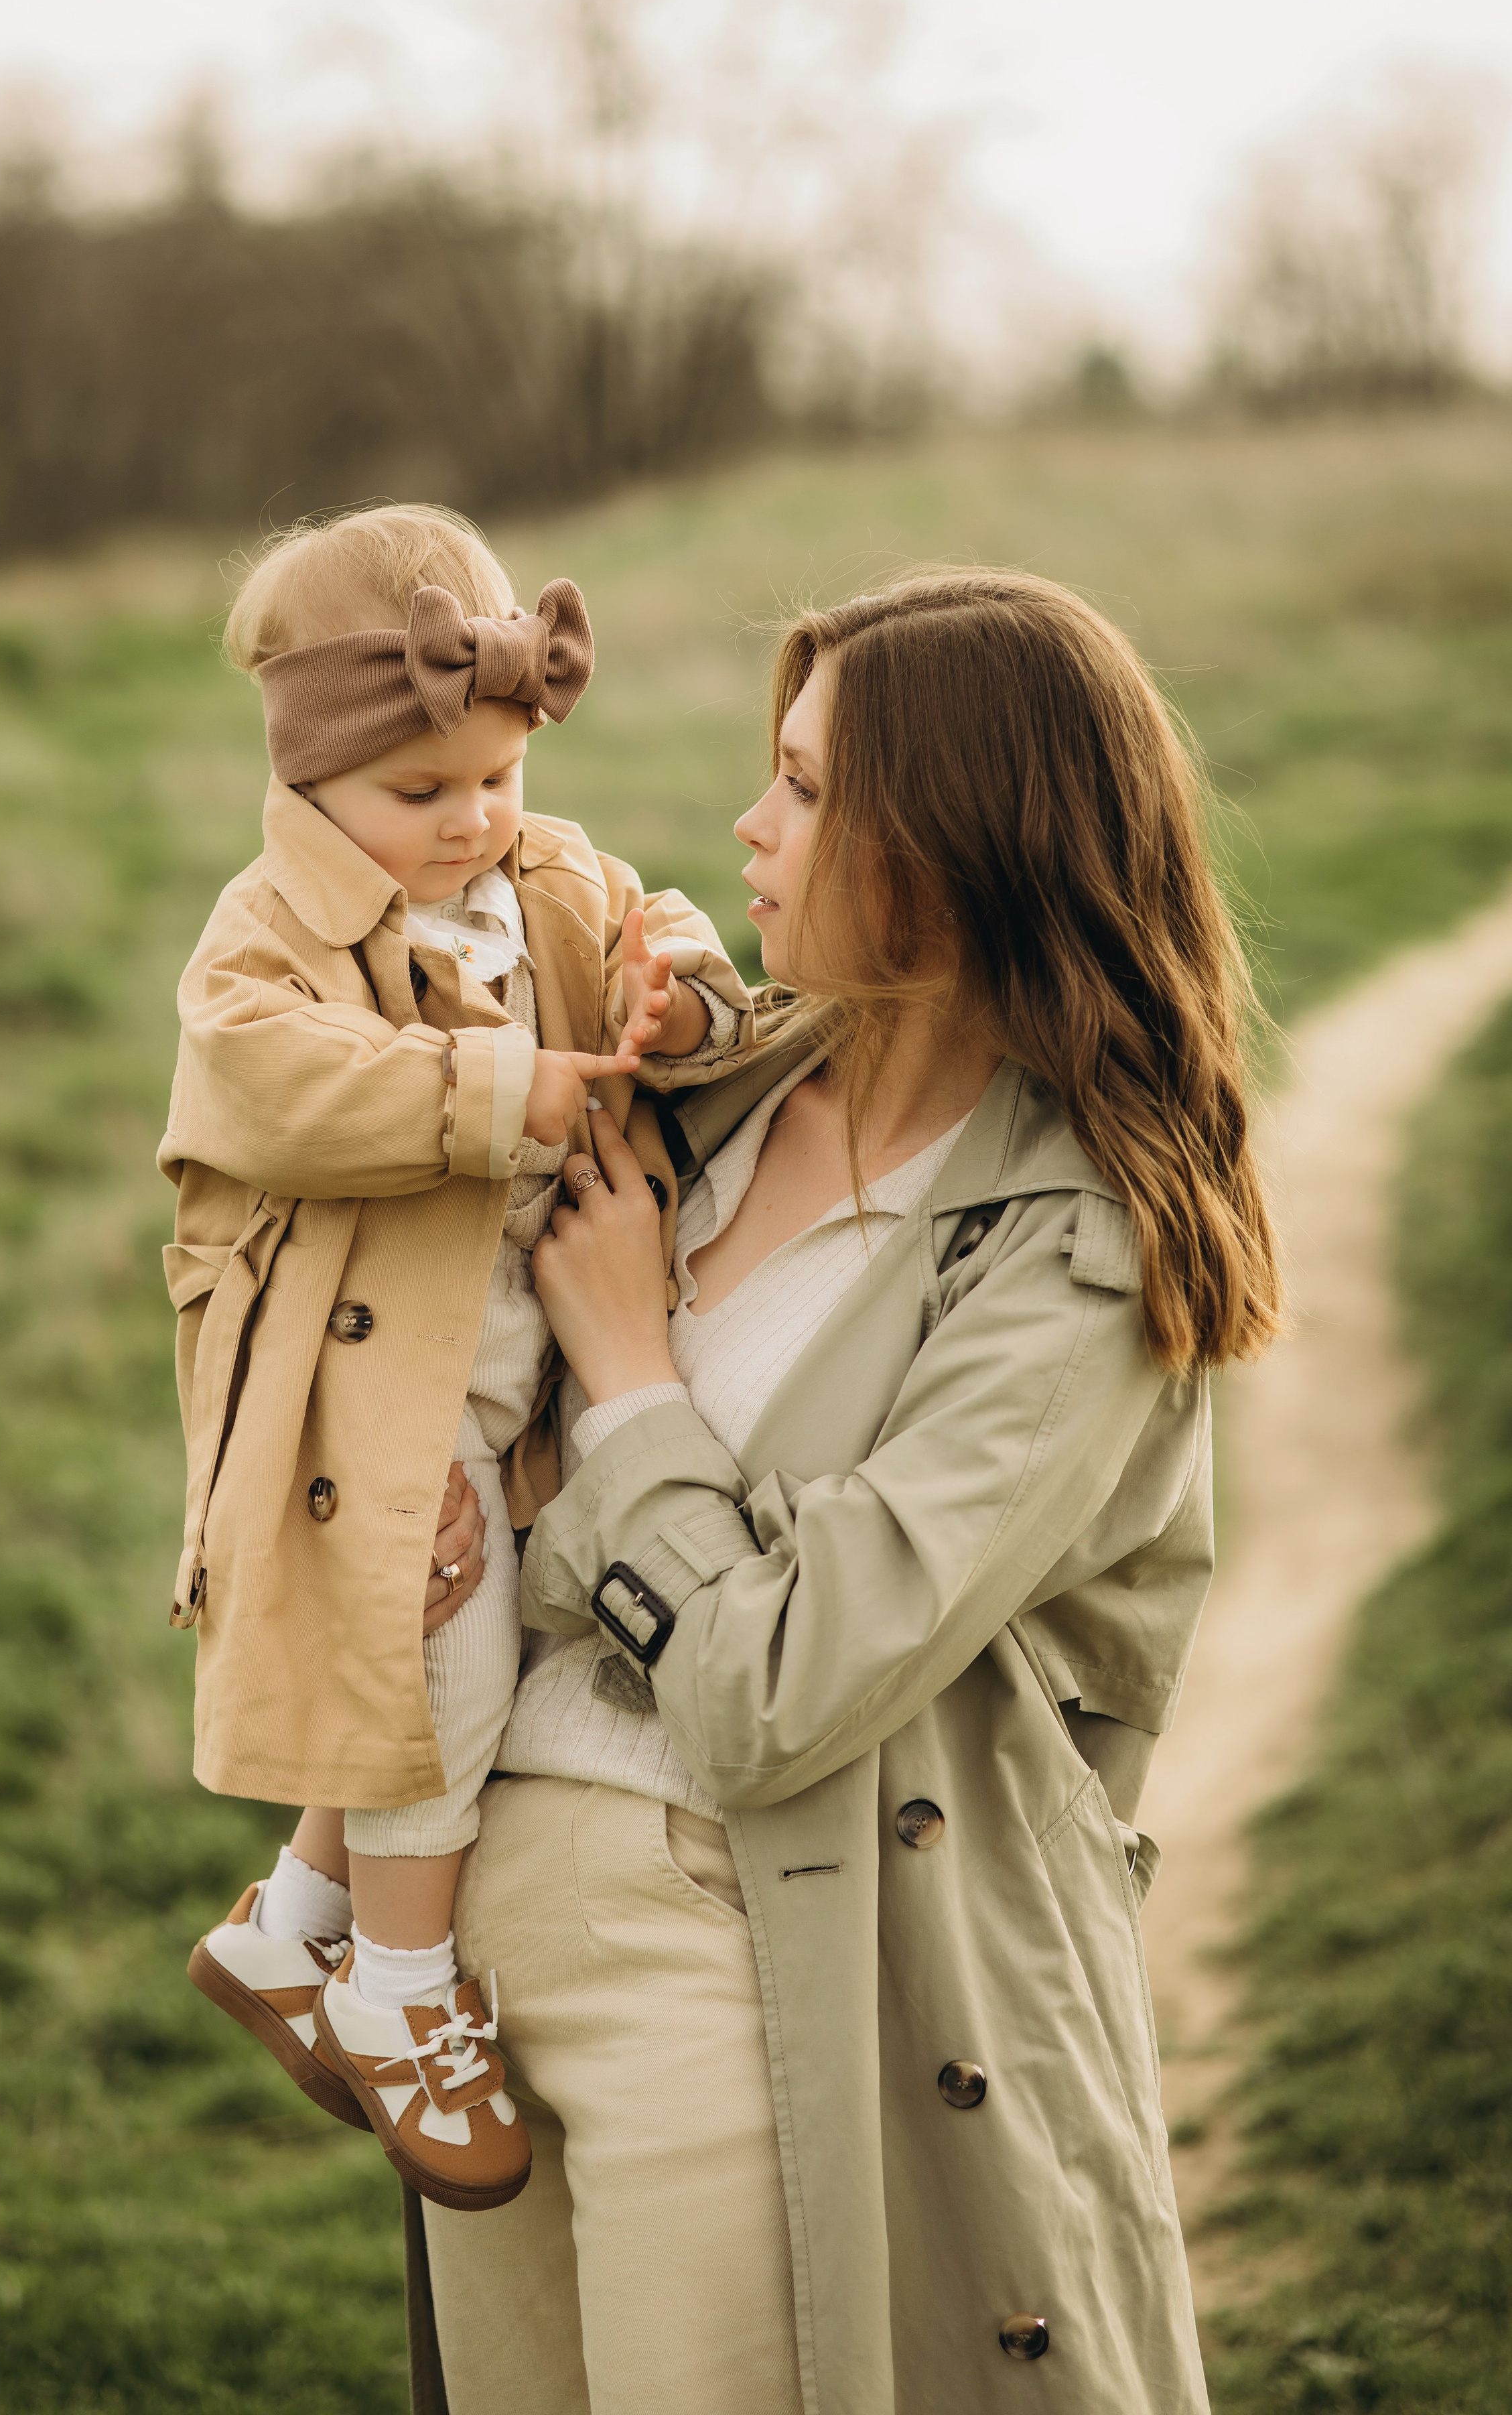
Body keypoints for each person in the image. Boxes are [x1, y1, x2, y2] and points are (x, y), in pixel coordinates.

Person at [411, 570, 1280, 2413]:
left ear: (950, 850)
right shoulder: (712, 1093)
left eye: (805, 790)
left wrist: (630, 1385)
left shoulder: (1078, 1245)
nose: (750, 823)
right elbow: (479, 1433)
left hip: (737, 1957)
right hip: (478, 1965)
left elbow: (776, 1689)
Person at [158, 504, 758, 2211]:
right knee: (439, 1678)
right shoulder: (264, 937)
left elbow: (660, 927)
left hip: (498, 1382)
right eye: (423, 798)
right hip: (368, 1401)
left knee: (405, 1667)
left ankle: (290, 1931)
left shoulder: (539, 877)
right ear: (308, 785)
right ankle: (397, 1992)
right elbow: (268, 1078)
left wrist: (681, 998)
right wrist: (501, 1095)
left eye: (494, 777)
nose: (472, 822)